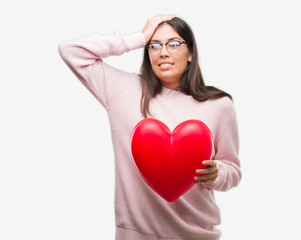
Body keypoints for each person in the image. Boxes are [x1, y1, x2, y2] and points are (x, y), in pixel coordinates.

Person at [58, 14, 241, 240]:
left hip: (197, 235)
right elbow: (71, 50)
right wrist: (138, 37)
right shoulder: (123, 90)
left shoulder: (218, 106)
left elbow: (232, 170)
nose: (163, 52)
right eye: (154, 45)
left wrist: (217, 174)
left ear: (190, 53)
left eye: (174, 44)